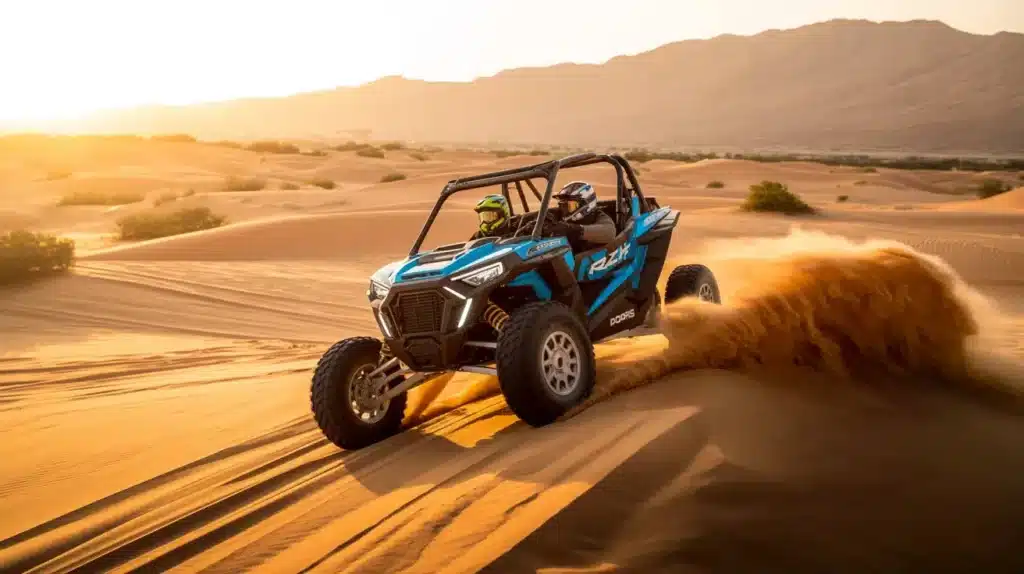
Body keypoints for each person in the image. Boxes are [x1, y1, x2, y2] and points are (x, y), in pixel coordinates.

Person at [549, 181, 616, 252]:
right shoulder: (559, 213)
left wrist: (574, 230)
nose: (564, 210)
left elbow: (610, 232)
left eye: (569, 206)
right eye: (562, 205)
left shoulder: (599, 216)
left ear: (586, 205)